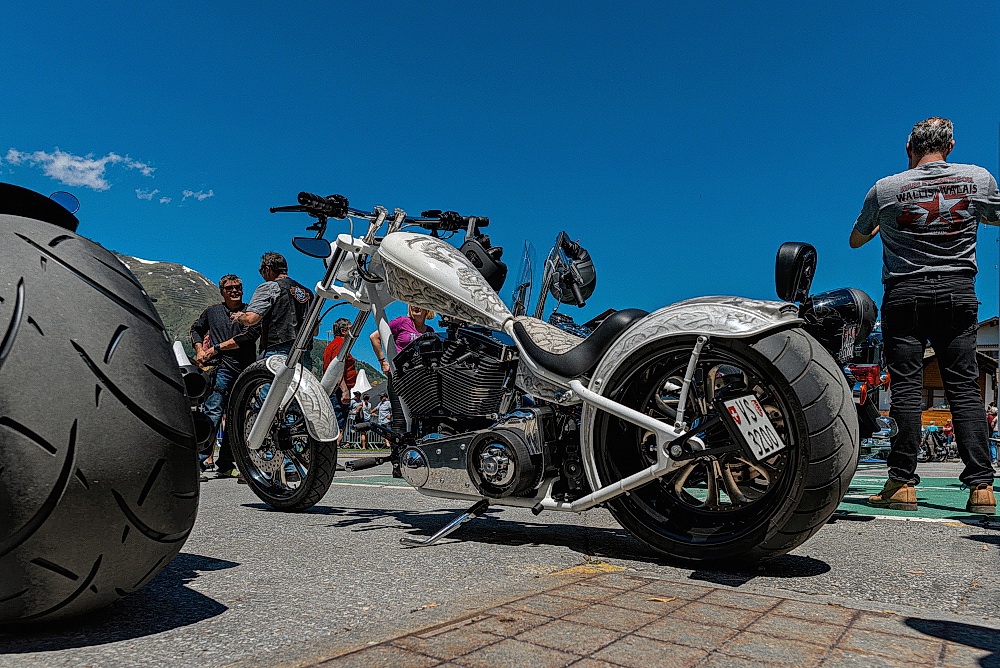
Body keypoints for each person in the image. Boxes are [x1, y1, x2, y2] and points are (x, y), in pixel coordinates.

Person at [851, 117, 1000, 514]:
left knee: (905, 390)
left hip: (905, 293)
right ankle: (981, 487)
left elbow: (856, 238)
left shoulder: (885, 188)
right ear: (949, 146)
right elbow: (996, 216)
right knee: (965, 389)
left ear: (908, 149)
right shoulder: (978, 178)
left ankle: (901, 483)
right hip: (958, 291)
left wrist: (889, 225)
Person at [191, 274, 259, 478]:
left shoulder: (250, 313)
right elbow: (196, 329)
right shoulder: (212, 312)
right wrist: (198, 350)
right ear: (222, 292)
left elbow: (249, 337)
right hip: (220, 369)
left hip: (245, 371)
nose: (235, 291)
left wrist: (216, 348)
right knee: (213, 414)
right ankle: (199, 464)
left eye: (238, 287)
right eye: (230, 288)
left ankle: (226, 463)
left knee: (236, 419)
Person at [231, 252, 315, 369]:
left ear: (267, 269)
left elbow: (251, 319)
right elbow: (315, 331)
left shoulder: (270, 286)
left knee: (270, 386)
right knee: (297, 387)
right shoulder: (308, 294)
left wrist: (239, 317)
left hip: (277, 351)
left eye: (261, 271)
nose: (261, 275)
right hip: (304, 353)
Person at [369, 304, 436, 377]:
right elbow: (374, 337)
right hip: (399, 373)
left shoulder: (430, 331)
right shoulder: (402, 322)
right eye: (413, 303)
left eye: (419, 303)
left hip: (420, 375)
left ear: (427, 309)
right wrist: (383, 362)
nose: (415, 306)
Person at [322, 318, 357, 445]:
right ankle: (332, 459)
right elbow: (338, 368)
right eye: (350, 328)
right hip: (338, 390)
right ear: (343, 331)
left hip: (333, 389)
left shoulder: (331, 345)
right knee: (337, 426)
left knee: (333, 424)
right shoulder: (340, 345)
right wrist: (345, 391)